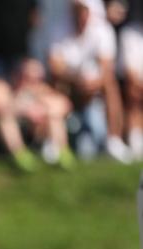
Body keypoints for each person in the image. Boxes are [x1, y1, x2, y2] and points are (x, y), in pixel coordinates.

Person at [48, 0, 132, 162]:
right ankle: (53, 140)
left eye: (84, 10)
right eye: (77, 10)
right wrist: (76, 79)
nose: (81, 15)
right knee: (56, 85)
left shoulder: (102, 30)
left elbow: (106, 68)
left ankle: (114, 139)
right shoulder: (58, 28)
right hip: (70, 87)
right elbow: (55, 66)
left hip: (94, 88)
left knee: (110, 85)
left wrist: (94, 83)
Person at [0, 0, 42, 171]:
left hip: (20, 52)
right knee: (0, 105)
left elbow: (35, 18)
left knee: (26, 99)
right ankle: (7, 148)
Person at [12, 58, 77, 168]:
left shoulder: (44, 90)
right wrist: (27, 110)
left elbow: (65, 105)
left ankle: (63, 153)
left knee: (54, 117)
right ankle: (20, 155)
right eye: (27, 76)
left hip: (41, 129)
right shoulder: (14, 91)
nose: (32, 80)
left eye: (35, 76)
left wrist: (41, 109)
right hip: (22, 127)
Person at [107, 0, 143, 158]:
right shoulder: (130, 33)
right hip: (133, 88)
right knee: (133, 90)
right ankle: (135, 138)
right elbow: (131, 76)